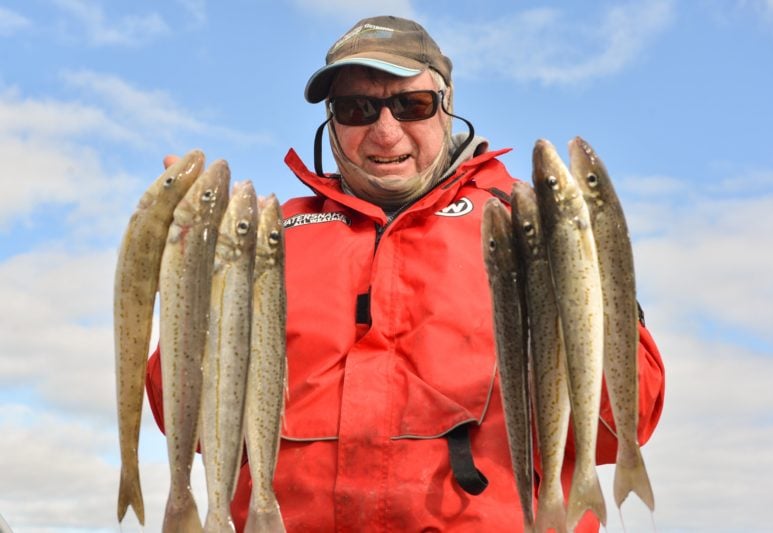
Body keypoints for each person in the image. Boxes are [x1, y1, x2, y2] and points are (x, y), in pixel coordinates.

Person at [145, 15, 665, 532]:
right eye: (357, 108)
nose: (386, 130)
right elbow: (186, 425)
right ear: (331, 120)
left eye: (412, 105)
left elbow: (624, 426)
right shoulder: (268, 236)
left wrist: (592, 287)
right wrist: (193, 284)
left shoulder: (521, 226)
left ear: (447, 107)